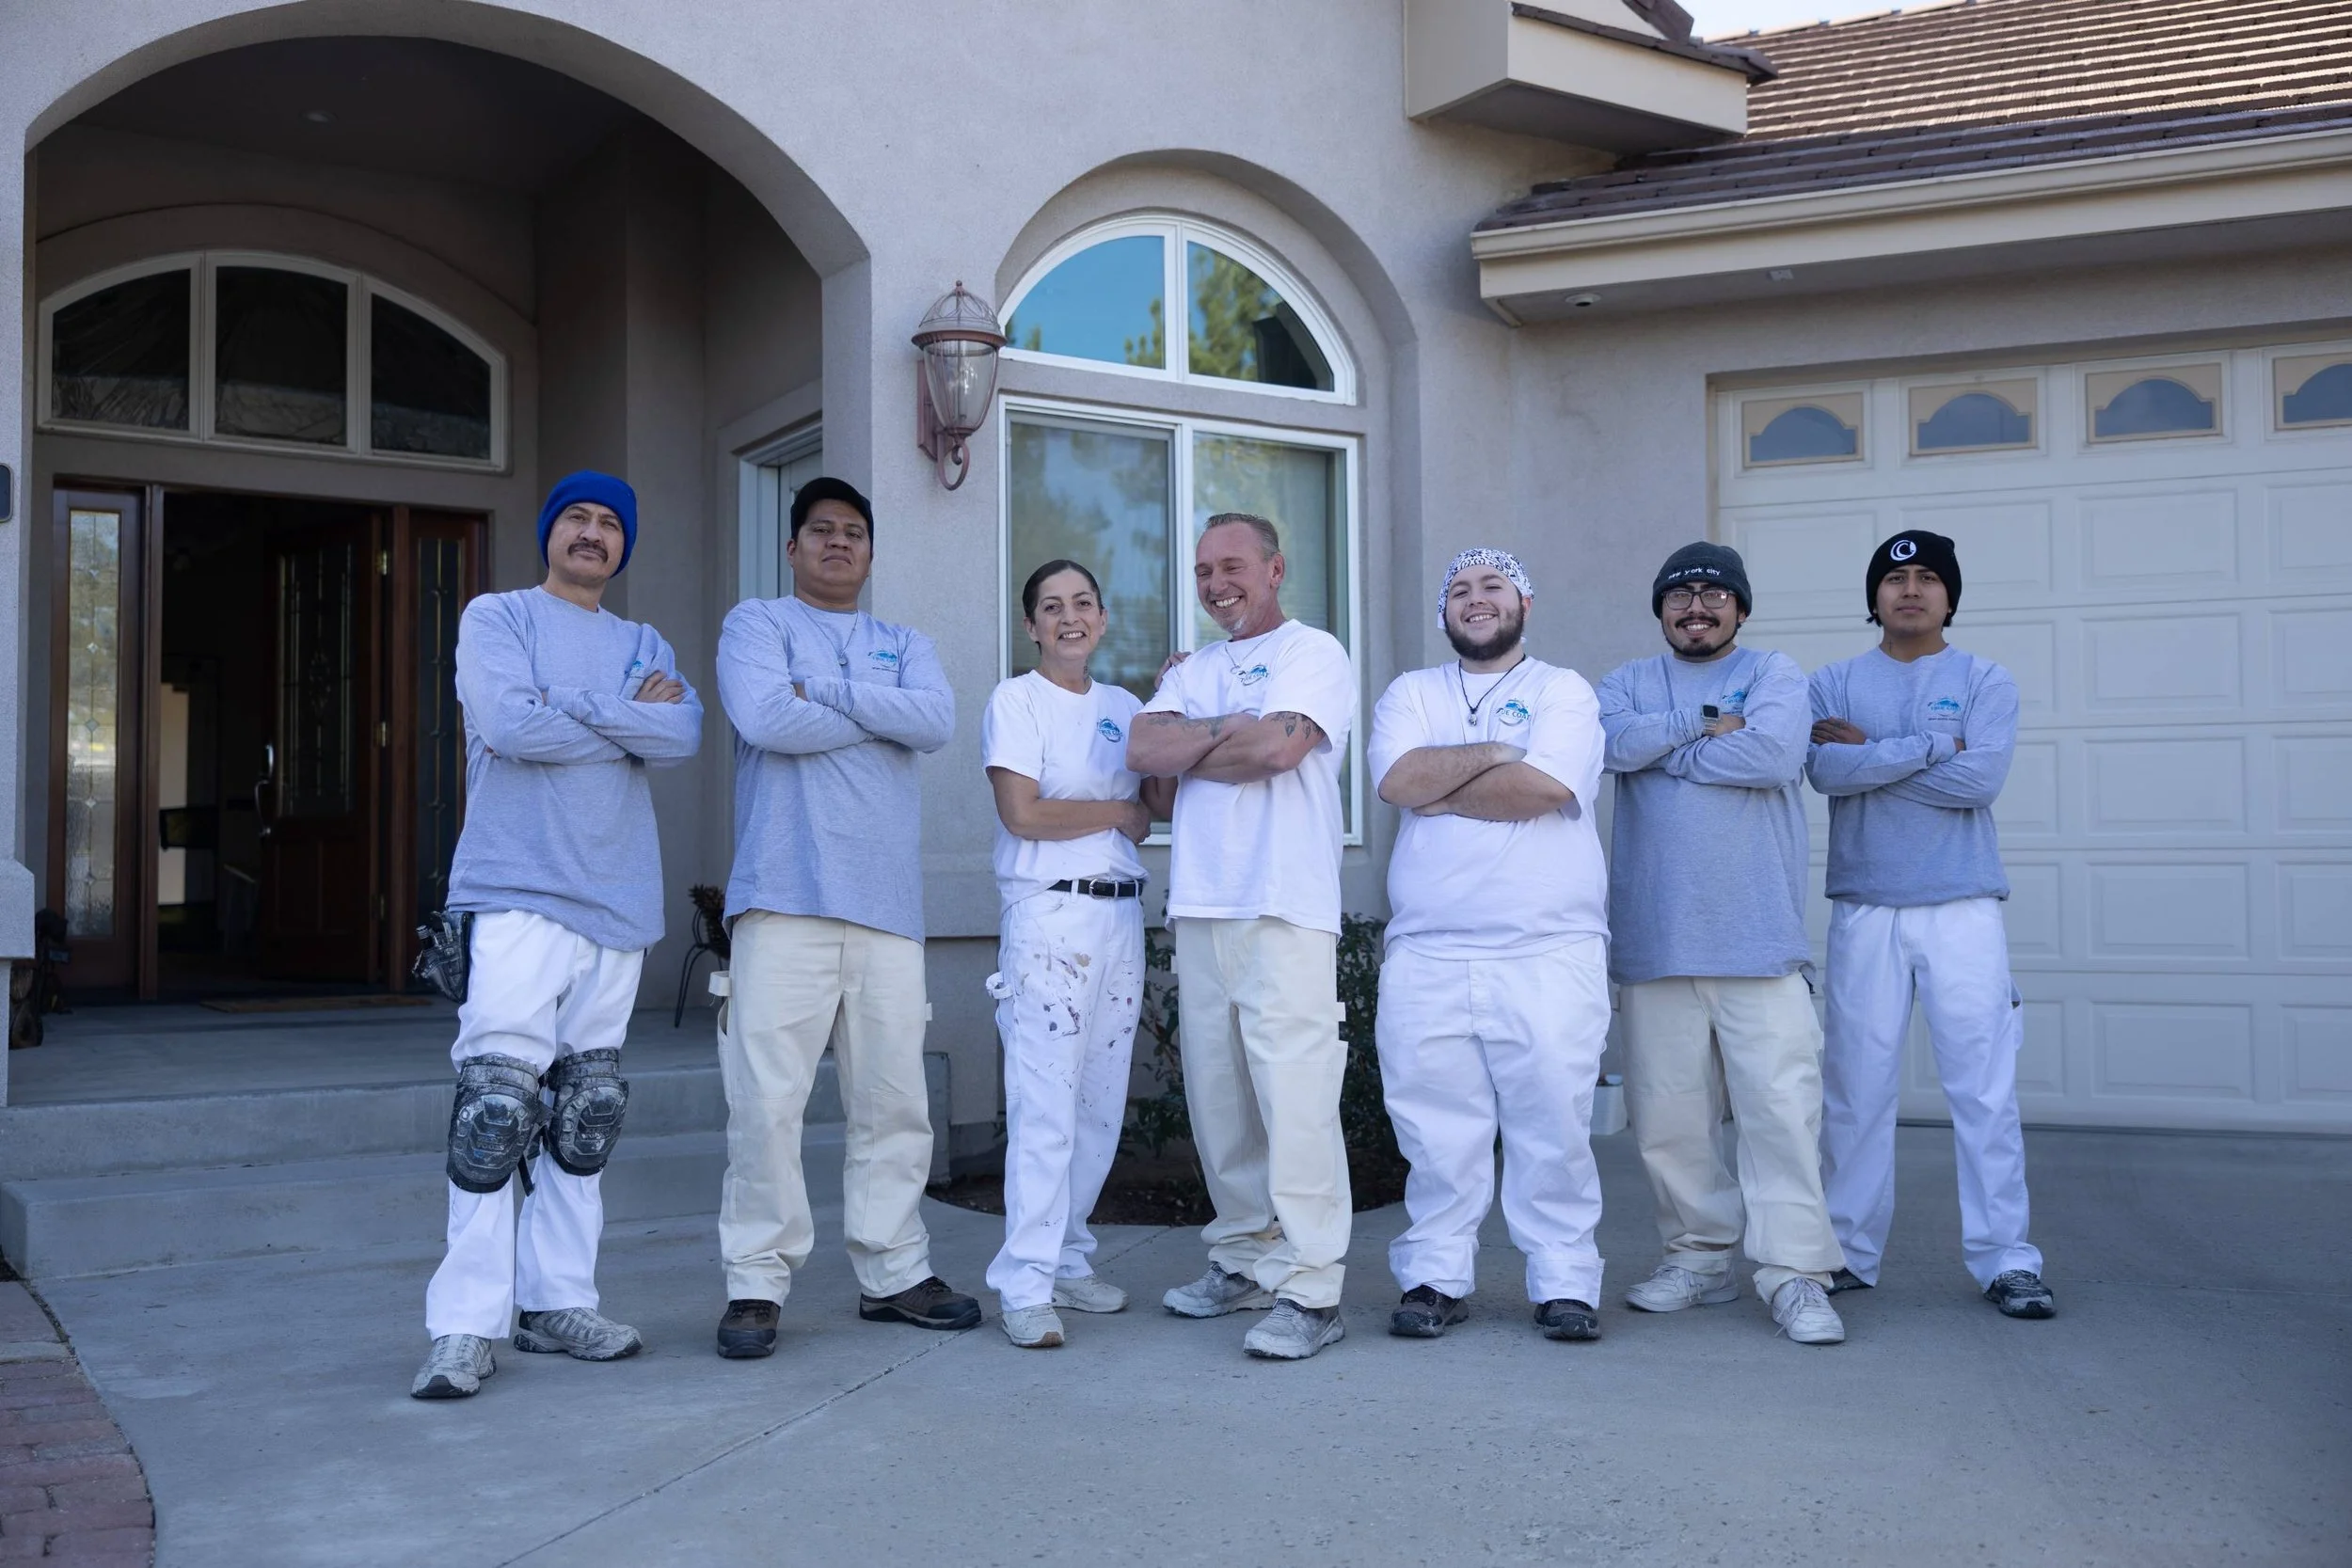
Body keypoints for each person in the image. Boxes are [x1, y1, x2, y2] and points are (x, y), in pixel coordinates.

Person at [414, 470, 703, 1400]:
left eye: (609, 523)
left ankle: (556, 1300)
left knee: (586, 1111)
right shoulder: (498, 618)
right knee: (494, 1109)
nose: (591, 533)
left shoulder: (644, 639)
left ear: (624, 546)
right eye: (575, 517)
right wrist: (626, 720)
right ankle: (464, 1323)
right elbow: (503, 721)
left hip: (617, 897)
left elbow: (685, 732)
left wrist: (567, 712)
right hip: (516, 886)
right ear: (549, 532)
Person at [710, 477, 978, 1358]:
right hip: (782, 898)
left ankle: (894, 1269)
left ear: (870, 552)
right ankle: (756, 1281)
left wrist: (820, 692)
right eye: (820, 530)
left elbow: (935, 718)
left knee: (894, 1103)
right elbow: (762, 714)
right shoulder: (757, 624)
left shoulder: (906, 641)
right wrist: (872, 709)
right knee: (766, 1104)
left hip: (886, 907)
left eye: (854, 532)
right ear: (792, 548)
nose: (837, 543)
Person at [1597, 542, 1848, 1347]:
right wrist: (1705, 726)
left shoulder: (1777, 672)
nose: (1696, 608)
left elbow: (1774, 753)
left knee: (1780, 1115)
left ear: (1740, 606)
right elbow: (1614, 746)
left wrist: (1665, 749)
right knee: (1669, 1121)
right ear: (1661, 610)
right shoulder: (1624, 683)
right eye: (1680, 596)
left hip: (1758, 941)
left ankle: (1797, 1273)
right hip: (1655, 940)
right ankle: (1697, 1259)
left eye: (1713, 594)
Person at [1126, 513, 1359, 1361]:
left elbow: (1274, 750)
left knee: (1294, 1098)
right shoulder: (1197, 667)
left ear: (1274, 566)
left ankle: (1312, 1287)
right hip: (1203, 905)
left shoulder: (1314, 651)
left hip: (1284, 906)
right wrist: (1228, 730)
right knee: (1220, 1097)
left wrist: (1201, 738)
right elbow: (1140, 750)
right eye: (1200, 571)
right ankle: (1242, 1256)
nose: (1215, 582)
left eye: (1231, 565)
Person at [1807, 530, 2055, 1319]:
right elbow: (1824, 771)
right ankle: (1846, 1251)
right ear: (1874, 594)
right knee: (1854, 1093)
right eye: (1894, 577)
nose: (1909, 589)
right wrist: (1927, 749)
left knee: (1983, 1091)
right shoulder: (1834, 681)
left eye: (1925, 578)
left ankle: (2006, 1258)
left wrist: (1874, 756)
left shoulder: (1985, 677)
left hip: (1962, 908)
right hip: (1866, 908)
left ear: (1950, 594)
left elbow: (1979, 780)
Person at [1367, 548, 1613, 1343]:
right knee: (1436, 1129)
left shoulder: (1563, 689)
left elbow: (1547, 789)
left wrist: (1445, 785)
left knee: (1555, 1124)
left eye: (1493, 587)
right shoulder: (1412, 691)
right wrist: (1502, 754)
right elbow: (1397, 781)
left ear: (1525, 604)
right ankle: (1436, 1277)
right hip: (1430, 950)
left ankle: (1565, 1281)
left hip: (1547, 949)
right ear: (1444, 612)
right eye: (1460, 590)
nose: (1476, 600)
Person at [979, 561, 1177, 1349]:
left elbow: (1156, 805)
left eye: (1083, 604)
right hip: (1050, 918)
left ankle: (1067, 1256)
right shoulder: (1016, 700)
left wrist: (1174, 711)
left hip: (1120, 919)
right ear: (1031, 625)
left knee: (1097, 1106)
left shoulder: (1124, 707)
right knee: (1045, 1106)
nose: (1069, 617)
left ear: (1102, 619)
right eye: (1051, 607)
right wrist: (1119, 811)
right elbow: (1023, 813)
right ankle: (1023, 1283)